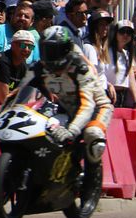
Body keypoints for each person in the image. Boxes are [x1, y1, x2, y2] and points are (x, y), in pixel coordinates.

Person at [26, 25, 113, 169]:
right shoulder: (40, 67)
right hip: (67, 108)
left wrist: (71, 131)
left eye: (54, 51)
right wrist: (3, 111)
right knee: (46, 130)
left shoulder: (81, 68)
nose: (50, 56)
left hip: (96, 108)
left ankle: (91, 181)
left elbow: (88, 105)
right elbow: (20, 89)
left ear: (66, 50)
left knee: (92, 134)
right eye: (46, 51)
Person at [0, 29, 34, 104]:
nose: (27, 50)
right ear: (13, 45)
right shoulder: (2, 61)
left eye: (30, 47)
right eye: (23, 45)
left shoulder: (24, 65)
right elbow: (3, 98)